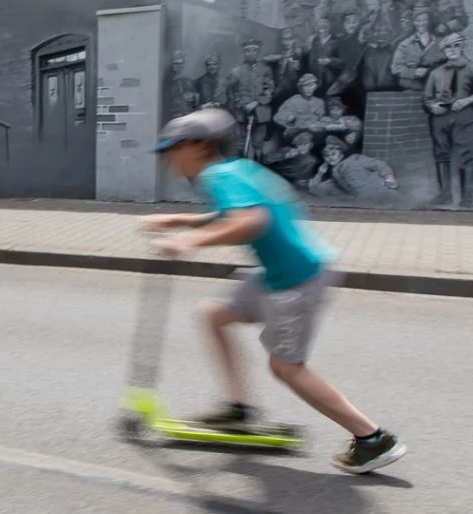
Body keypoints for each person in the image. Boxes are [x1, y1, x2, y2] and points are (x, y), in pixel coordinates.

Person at [139, 108, 406, 475]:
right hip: (277, 274)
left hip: (296, 281)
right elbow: (233, 215)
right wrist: (178, 220)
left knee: (286, 368)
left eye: (174, 147)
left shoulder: (218, 176)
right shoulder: (232, 171)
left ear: (200, 146)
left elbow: (251, 221)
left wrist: (188, 241)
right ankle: (238, 409)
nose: (169, 156)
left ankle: (372, 439)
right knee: (213, 314)